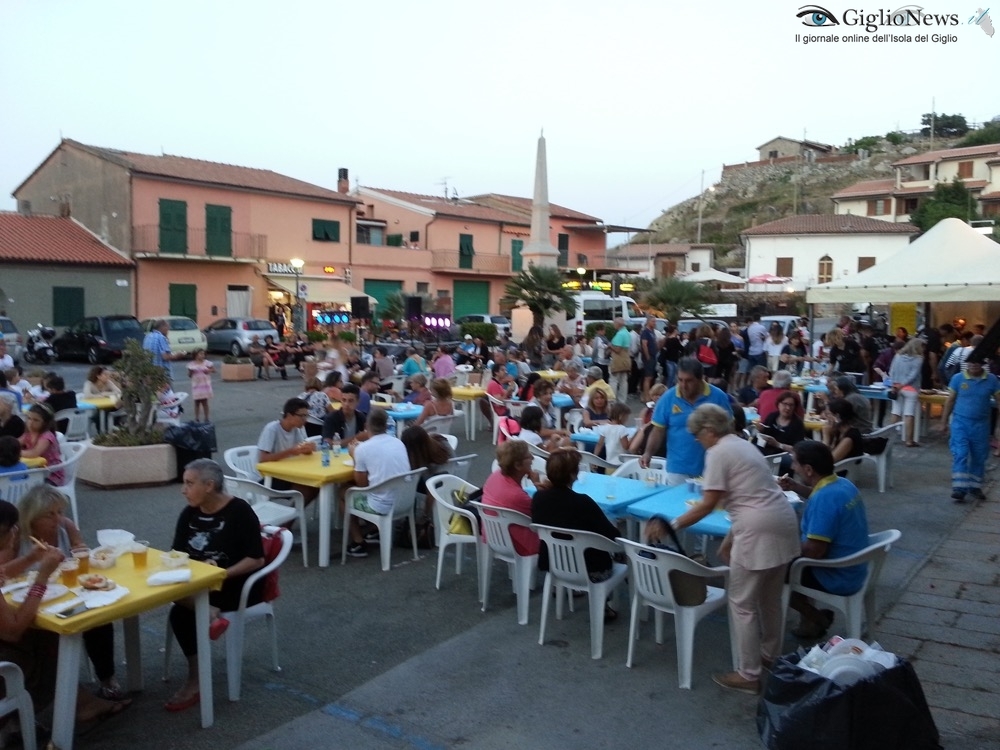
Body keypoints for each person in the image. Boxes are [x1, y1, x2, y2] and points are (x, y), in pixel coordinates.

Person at [660, 404, 799, 695]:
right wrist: (729, 540)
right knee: (770, 598)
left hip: (757, 528)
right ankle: (769, 655)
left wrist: (671, 525)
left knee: (742, 603)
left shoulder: (718, 452)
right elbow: (748, 495)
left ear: (709, 431)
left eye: (698, 435)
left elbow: (709, 504)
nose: (697, 440)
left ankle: (749, 674)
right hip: (781, 520)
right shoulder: (742, 444)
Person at [0, 499, 131, 723]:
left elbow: (3, 572)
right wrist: (41, 578)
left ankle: (78, 702)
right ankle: (68, 707)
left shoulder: (64, 528)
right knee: (51, 637)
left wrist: (32, 558)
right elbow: (12, 631)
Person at [165, 459, 265, 712]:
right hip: (199, 583)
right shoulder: (189, 513)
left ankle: (196, 679)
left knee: (180, 613)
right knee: (165, 590)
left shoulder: (239, 511)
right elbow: (177, 553)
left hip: (236, 584)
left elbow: (256, 558)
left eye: (189, 483)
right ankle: (208, 612)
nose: (183, 489)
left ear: (209, 485)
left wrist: (220, 573)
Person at [778, 441, 870, 640]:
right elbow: (819, 496)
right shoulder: (842, 484)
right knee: (789, 563)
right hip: (857, 565)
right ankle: (809, 622)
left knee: (772, 570)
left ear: (808, 469)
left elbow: (814, 551)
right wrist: (795, 487)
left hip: (838, 575)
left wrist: (781, 550)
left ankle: (815, 617)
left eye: (795, 464)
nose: (792, 467)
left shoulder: (825, 500)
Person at [531, 449, 623, 619]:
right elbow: (612, 536)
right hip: (589, 570)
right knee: (611, 551)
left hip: (553, 563)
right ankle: (604, 605)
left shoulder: (539, 498)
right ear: (573, 475)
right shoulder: (583, 502)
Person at [640, 357, 733, 485]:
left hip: (712, 466)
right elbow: (658, 430)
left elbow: (729, 430)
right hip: (678, 467)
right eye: (680, 380)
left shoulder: (718, 397)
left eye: (689, 381)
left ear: (701, 379)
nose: (683, 385)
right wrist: (648, 453)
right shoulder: (668, 398)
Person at [345, 408, 411, 557]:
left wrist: (354, 455)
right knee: (368, 489)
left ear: (367, 425)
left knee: (344, 492)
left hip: (382, 505)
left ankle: (358, 541)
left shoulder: (363, 449)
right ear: (386, 426)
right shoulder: (398, 442)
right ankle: (375, 528)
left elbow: (361, 485)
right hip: (404, 500)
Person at [941, 357, 1000, 502]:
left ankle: (974, 487)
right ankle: (959, 489)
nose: (974, 364)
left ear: (983, 364)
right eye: (971, 362)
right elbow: (950, 400)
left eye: (977, 362)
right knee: (960, 453)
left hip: (981, 425)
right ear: (966, 363)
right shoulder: (958, 378)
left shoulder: (992, 380)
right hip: (960, 423)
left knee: (979, 456)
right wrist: (943, 422)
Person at [482, 440, 540, 555]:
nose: (533, 458)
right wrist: (538, 485)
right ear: (518, 465)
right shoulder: (517, 496)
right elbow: (544, 513)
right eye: (528, 456)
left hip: (492, 535)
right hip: (518, 544)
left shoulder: (495, 476)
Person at [257, 397, 319, 504]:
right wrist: (290, 452)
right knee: (308, 489)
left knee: (315, 486)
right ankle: (291, 516)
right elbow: (262, 459)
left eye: (306, 415)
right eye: (302, 416)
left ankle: (292, 514)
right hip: (270, 477)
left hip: (288, 474)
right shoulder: (272, 429)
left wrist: (308, 449)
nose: (305, 419)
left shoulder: (296, 429)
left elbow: (300, 449)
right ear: (289, 415)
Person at [400, 425, 454, 516]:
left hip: (436, 486)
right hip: (452, 478)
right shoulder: (440, 442)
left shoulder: (433, 462)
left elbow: (433, 492)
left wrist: (425, 516)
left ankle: (406, 517)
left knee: (406, 484)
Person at [756, 390, 807, 475]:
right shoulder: (772, 416)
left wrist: (778, 444)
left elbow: (798, 449)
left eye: (791, 405)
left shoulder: (797, 424)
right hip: (767, 452)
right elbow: (763, 436)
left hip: (784, 456)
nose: (788, 408)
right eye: (785, 404)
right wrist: (760, 431)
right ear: (778, 404)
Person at [888, 337, 924, 447]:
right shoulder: (919, 359)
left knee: (896, 411)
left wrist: (895, 385)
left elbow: (891, 371)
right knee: (909, 414)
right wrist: (903, 384)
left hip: (896, 387)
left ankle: (889, 437)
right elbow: (913, 375)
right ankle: (909, 440)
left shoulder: (897, 356)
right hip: (911, 388)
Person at [19, 403, 63, 484]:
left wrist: (14, 452)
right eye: (29, 418)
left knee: (22, 484)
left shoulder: (46, 436)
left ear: (45, 422)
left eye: (36, 420)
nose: (30, 423)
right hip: (35, 470)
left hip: (51, 474)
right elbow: (14, 443)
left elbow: (34, 453)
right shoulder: (28, 434)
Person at [628, 383, 667, 455]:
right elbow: (639, 426)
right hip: (644, 436)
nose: (657, 397)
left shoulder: (666, 412)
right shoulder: (646, 411)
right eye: (655, 395)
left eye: (660, 395)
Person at [186, 349, 215, 422]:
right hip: (196, 385)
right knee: (197, 402)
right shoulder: (192, 364)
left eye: (203, 354)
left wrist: (209, 370)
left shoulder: (207, 363)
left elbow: (214, 370)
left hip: (205, 385)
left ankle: (206, 417)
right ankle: (197, 417)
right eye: (200, 354)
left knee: (205, 402)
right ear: (195, 355)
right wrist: (191, 372)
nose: (202, 356)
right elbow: (189, 375)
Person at [608, 317, 632, 403]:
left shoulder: (620, 334)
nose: (613, 325)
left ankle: (612, 400)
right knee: (623, 382)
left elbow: (617, 349)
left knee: (614, 381)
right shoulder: (627, 333)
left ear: (618, 324)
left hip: (618, 361)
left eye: (614, 323)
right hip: (626, 360)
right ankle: (622, 401)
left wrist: (610, 345)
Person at [640, 316, 659, 401]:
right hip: (649, 357)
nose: (654, 323)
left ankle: (648, 395)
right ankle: (646, 397)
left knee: (651, 377)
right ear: (648, 322)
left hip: (653, 356)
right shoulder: (645, 332)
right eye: (653, 322)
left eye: (655, 322)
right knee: (647, 377)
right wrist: (647, 356)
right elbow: (644, 344)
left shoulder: (652, 332)